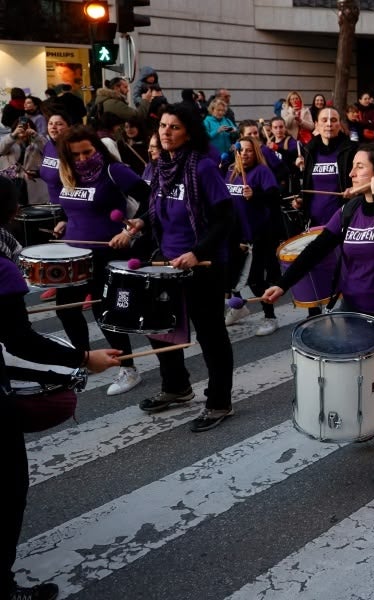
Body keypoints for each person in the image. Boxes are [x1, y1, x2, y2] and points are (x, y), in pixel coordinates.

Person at [263, 143, 374, 483]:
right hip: (355, 305)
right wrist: (283, 283)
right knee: (354, 370)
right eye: (351, 168)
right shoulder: (349, 210)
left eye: (359, 167)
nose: (350, 173)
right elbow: (318, 247)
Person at [0, 175, 122, 600]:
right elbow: (19, 340)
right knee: (9, 488)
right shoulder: (1, 267)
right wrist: (84, 359)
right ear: (13, 213)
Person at [126, 102, 237, 432]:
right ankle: (176, 386)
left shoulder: (202, 167)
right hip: (167, 260)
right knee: (160, 328)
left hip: (203, 264)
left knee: (211, 335)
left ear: (189, 132)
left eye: (173, 127)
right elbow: (162, 208)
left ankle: (219, 402)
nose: (165, 132)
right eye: (162, 126)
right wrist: (142, 223)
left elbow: (225, 217)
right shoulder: (162, 166)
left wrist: (196, 251)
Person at [50, 125, 149, 396]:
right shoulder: (67, 172)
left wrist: (130, 230)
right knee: (66, 310)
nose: (82, 159)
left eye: (87, 152)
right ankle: (84, 361)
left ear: (98, 148)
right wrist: (63, 221)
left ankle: (127, 367)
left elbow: (151, 200)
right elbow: (69, 205)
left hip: (108, 252)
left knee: (105, 311)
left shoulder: (113, 170)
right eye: (76, 155)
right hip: (73, 254)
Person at [222, 136, 283, 335]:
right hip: (233, 233)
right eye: (241, 150)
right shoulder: (231, 171)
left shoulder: (262, 172)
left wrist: (255, 195)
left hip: (257, 233)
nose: (244, 154)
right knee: (230, 276)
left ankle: (270, 316)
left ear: (255, 152)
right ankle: (238, 308)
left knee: (256, 280)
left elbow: (275, 198)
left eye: (249, 150)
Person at [296, 107, 357, 227]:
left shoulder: (352, 150)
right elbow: (309, 184)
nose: (329, 124)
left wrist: (355, 190)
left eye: (334, 120)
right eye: (324, 120)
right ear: (316, 124)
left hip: (343, 220)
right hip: (314, 221)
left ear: (339, 125)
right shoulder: (309, 150)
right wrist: (301, 199)